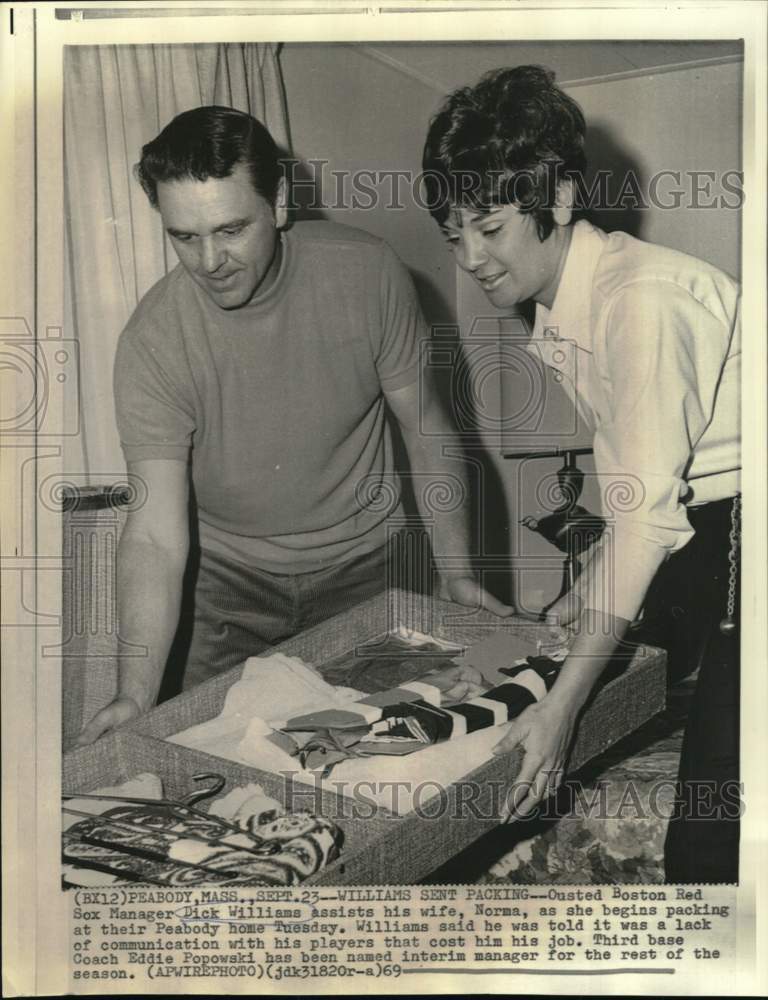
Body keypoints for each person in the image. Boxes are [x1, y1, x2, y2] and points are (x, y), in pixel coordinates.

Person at [77, 105, 510, 746]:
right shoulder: (153, 340)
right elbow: (155, 536)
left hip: (371, 563)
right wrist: (133, 693)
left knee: (385, 753)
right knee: (218, 766)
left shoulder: (368, 274)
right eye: (184, 237)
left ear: (279, 204)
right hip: (225, 589)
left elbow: (428, 431)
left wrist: (456, 572)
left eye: (230, 229)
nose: (210, 260)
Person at [422, 65, 741, 883]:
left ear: (558, 198)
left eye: (489, 227)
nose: (471, 257)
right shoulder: (568, 307)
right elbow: (641, 487)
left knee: (712, 836)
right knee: (582, 629)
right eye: (454, 233)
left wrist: (564, 709)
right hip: (714, 523)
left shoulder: (638, 300)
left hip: (740, 526)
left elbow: (645, 520)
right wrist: (583, 589)